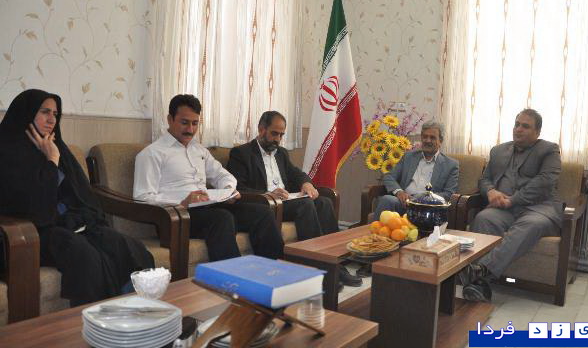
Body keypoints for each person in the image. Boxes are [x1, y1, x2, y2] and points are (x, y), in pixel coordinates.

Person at [0, 89, 155, 306]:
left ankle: (138, 310)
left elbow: (82, 195)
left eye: (55, 114)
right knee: (85, 256)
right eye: (44, 112)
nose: (52, 119)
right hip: (34, 230)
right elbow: (33, 205)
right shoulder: (7, 152)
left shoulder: (59, 148)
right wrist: (51, 160)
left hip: (70, 223)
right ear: (26, 114)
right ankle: (94, 320)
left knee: (128, 246)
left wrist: (83, 218)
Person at [134, 95, 284, 262]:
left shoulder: (199, 151)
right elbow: (142, 197)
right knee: (222, 218)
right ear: (170, 120)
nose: (190, 129)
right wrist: (182, 202)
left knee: (262, 212)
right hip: (178, 217)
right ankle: (231, 275)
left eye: (195, 123)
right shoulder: (152, 154)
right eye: (184, 122)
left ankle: (273, 269)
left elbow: (222, 175)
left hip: (208, 208)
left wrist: (228, 191)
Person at [227, 111, 362, 287]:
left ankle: (336, 265)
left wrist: (306, 183)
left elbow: (296, 173)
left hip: (285, 202)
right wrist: (267, 194)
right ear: (261, 129)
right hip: (265, 205)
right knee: (305, 205)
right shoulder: (241, 153)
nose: (278, 139)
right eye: (274, 133)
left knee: (324, 202)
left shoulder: (281, 153)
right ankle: (318, 269)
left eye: (281, 135)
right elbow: (238, 188)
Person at [461, 109, 561, 302]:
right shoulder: (498, 151)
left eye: (525, 126)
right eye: (517, 124)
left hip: (538, 209)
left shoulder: (549, 150)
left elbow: (545, 182)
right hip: (504, 209)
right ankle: (480, 284)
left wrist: (512, 200)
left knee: (530, 225)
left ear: (537, 132)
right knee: (484, 218)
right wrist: (491, 191)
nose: (518, 129)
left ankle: (481, 271)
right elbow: (485, 179)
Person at [375, 120, 459, 219]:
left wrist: (420, 199)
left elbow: (448, 194)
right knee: (387, 200)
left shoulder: (450, 165)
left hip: (427, 208)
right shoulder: (408, 157)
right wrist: (399, 192)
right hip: (404, 203)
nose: (427, 140)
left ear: (440, 141)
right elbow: (389, 176)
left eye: (432, 137)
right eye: (425, 137)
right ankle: (375, 230)